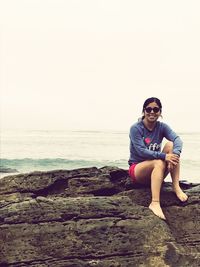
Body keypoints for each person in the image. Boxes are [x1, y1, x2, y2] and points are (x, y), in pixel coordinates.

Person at [128, 97, 188, 220]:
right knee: (159, 163)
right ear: (144, 111)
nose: (152, 112)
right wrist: (165, 156)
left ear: (160, 112)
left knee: (171, 145)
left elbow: (177, 140)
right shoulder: (136, 128)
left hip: (156, 171)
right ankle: (155, 203)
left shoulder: (162, 127)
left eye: (155, 109)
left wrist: (174, 154)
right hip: (138, 170)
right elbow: (141, 151)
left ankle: (176, 186)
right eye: (148, 109)